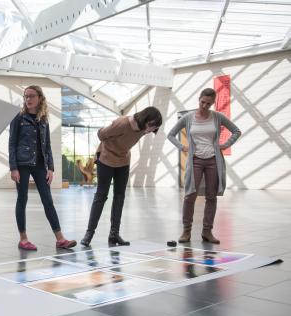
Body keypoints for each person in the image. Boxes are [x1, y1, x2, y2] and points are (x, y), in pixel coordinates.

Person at [167, 88, 241, 244]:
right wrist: (183, 147)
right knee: (189, 196)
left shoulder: (218, 117)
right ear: (198, 99)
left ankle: (207, 231)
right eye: (202, 102)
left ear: (213, 103)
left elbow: (236, 131)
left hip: (214, 160)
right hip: (195, 160)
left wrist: (224, 145)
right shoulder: (188, 118)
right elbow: (171, 134)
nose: (205, 106)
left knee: (211, 197)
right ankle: (186, 231)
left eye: (209, 103)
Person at [80, 106, 162, 247]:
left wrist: (147, 129)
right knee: (101, 195)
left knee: (119, 196)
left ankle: (114, 234)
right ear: (144, 118)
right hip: (106, 158)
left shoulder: (144, 129)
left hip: (123, 161)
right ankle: (89, 233)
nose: (150, 131)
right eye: (150, 126)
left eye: (153, 128)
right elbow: (101, 135)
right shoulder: (122, 123)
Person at [9, 85, 77, 251]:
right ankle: (23, 239)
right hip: (22, 163)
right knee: (22, 199)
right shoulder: (18, 117)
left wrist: (51, 168)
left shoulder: (43, 119)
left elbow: (47, 146)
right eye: (26, 96)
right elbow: (12, 143)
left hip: (40, 164)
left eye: (32, 96)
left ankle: (60, 239)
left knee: (48, 200)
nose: (28, 99)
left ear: (40, 98)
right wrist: (13, 167)